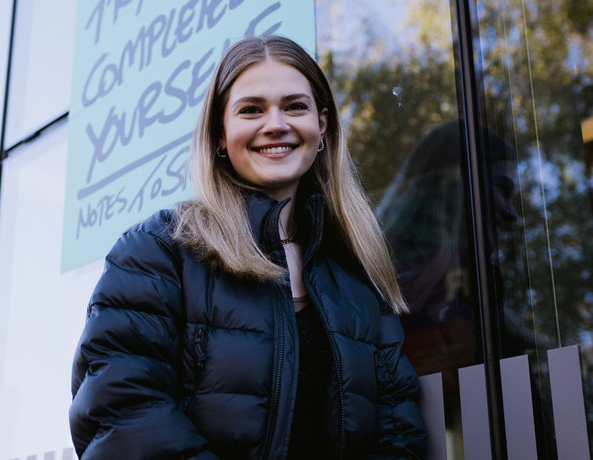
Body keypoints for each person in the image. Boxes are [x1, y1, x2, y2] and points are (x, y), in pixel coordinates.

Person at [69, 35, 427, 459]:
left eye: (295, 106)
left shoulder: (358, 279)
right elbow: (122, 414)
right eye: (251, 109)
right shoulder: (158, 252)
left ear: (323, 126)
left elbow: (399, 434)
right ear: (220, 134)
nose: (276, 124)